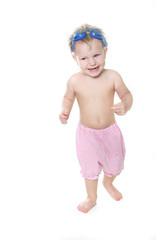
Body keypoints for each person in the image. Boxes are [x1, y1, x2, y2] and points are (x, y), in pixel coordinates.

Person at [59, 24, 133, 213]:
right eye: (84, 58)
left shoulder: (112, 76)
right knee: (90, 169)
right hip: (87, 134)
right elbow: (68, 97)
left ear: (105, 51)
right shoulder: (75, 80)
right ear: (75, 58)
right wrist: (65, 110)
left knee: (115, 164)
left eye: (96, 55)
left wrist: (125, 105)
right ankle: (91, 197)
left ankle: (108, 183)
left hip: (110, 132)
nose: (91, 62)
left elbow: (126, 95)